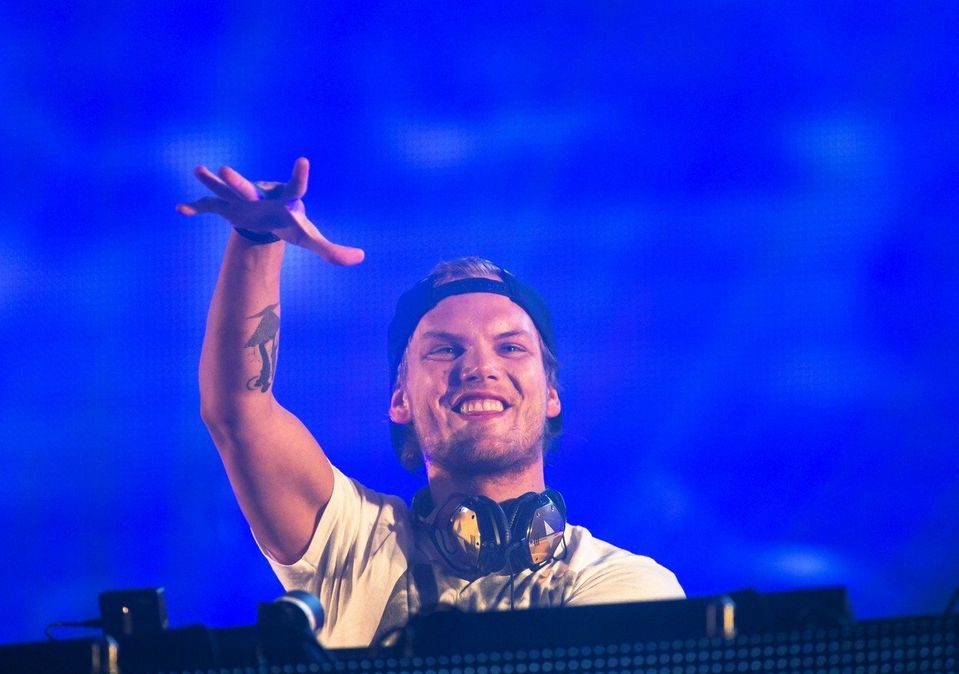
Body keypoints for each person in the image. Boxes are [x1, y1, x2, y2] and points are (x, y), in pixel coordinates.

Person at [181, 158, 684, 649]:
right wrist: (256, 241)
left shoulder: (629, 585)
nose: (480, 367)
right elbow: (240, 414)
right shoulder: (352, 545)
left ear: (552, 394)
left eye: (510, 347)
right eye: (445, 350)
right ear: (399, 400)